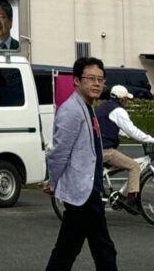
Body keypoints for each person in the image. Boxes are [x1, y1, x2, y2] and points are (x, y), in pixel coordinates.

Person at [43, 56, 117, 271]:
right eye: (91, 78)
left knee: (76, 250)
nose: (97, 83)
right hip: (82, 194)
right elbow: (59, 153)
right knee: (99, 250)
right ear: (76, 80)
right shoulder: (71, 111)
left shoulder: (87, 107)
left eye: (100, 79)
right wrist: (53, 182)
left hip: (87, 191)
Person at [96, 84, 154, 214]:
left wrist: (136, 138)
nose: (127, 101)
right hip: (105, 150)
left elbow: (121, 130)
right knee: (134, 166)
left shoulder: (104, 107)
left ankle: (106, 179)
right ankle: (131, 201)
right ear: (121, 99)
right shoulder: (118, 111)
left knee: (124, 163)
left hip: (96, 147)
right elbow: (131, 130)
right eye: (126, 99)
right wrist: (150, 139)